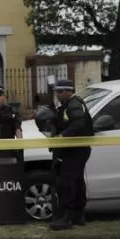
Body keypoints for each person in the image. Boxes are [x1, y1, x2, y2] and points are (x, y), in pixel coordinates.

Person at [48, 78, 94, 230]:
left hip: (75, 149)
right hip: (76, 149)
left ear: (69, 91)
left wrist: (63, 136)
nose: (58, 94)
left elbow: (79, 123)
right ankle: (78, 216)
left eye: (60, 91)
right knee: (77, 182)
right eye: (57, 92)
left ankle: (67, 218)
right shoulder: (68, 105)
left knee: (68, 182)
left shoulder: (73, 104)